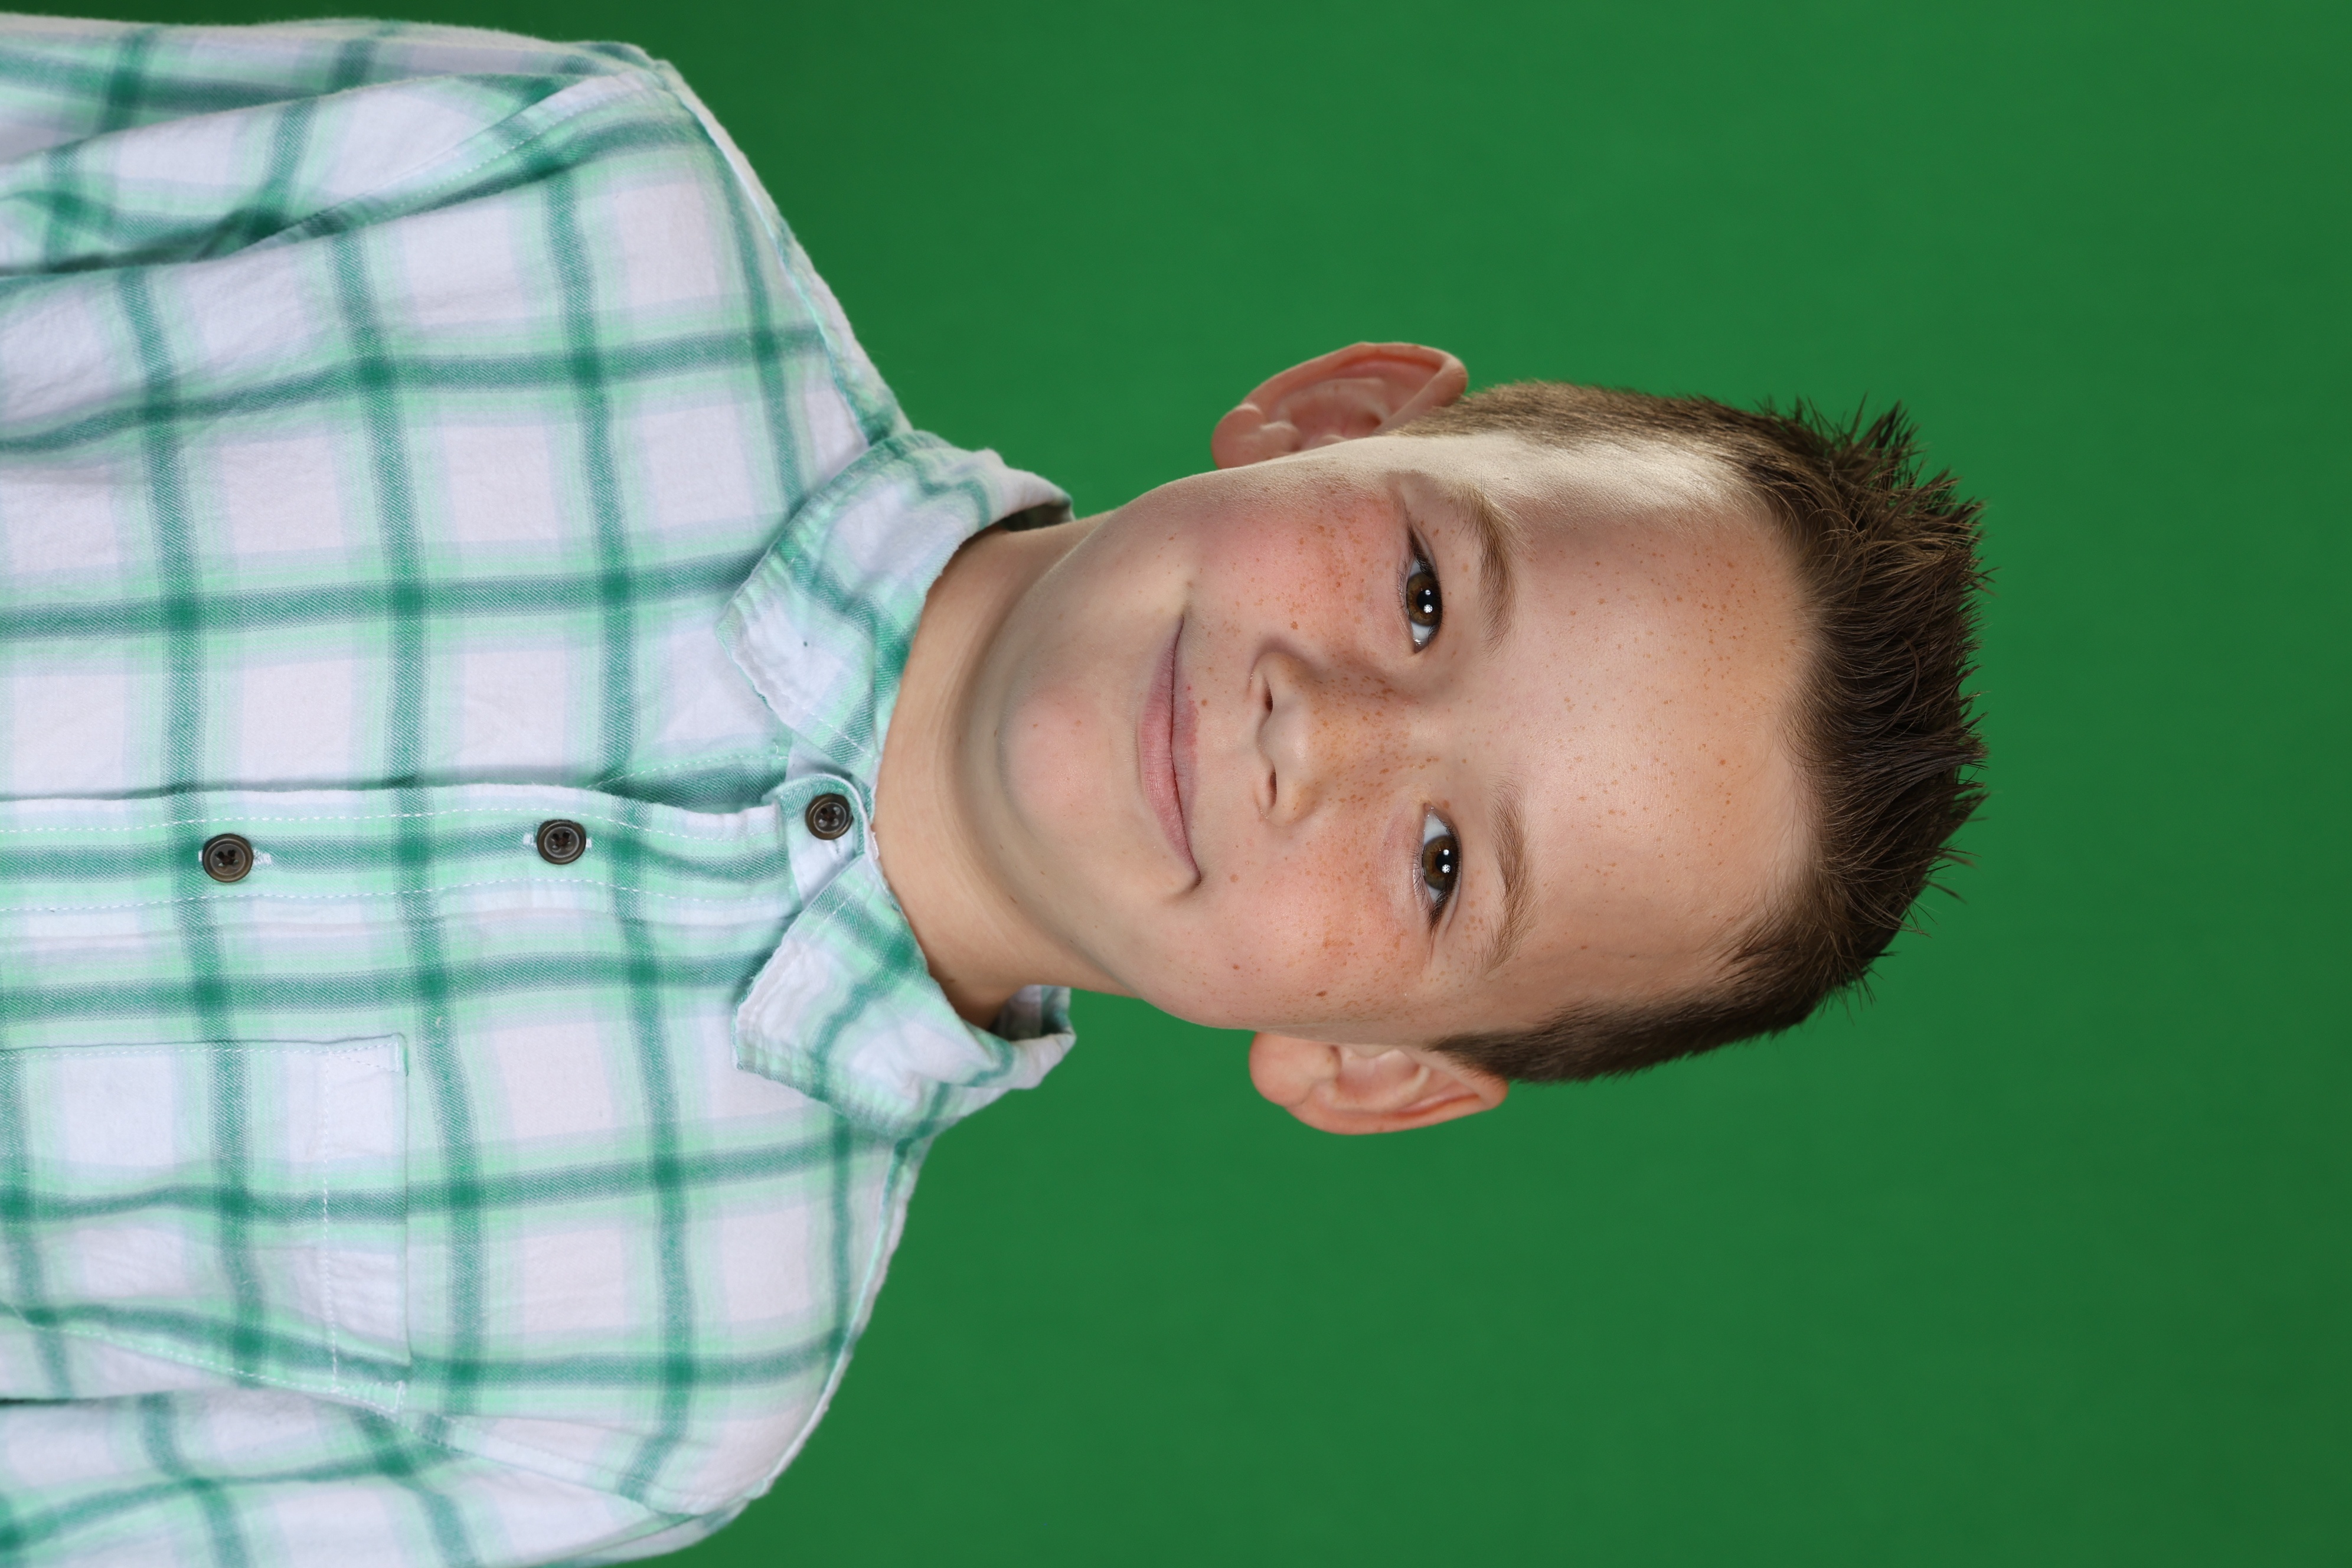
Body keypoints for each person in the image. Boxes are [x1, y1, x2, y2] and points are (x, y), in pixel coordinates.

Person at [0, 13, 1985, 1566]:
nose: (1322, 734)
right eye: (1422, 593)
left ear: (1374, 1065)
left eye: (1447, 862)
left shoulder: (657, 1400)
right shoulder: (568, 196)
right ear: (1337, 414)